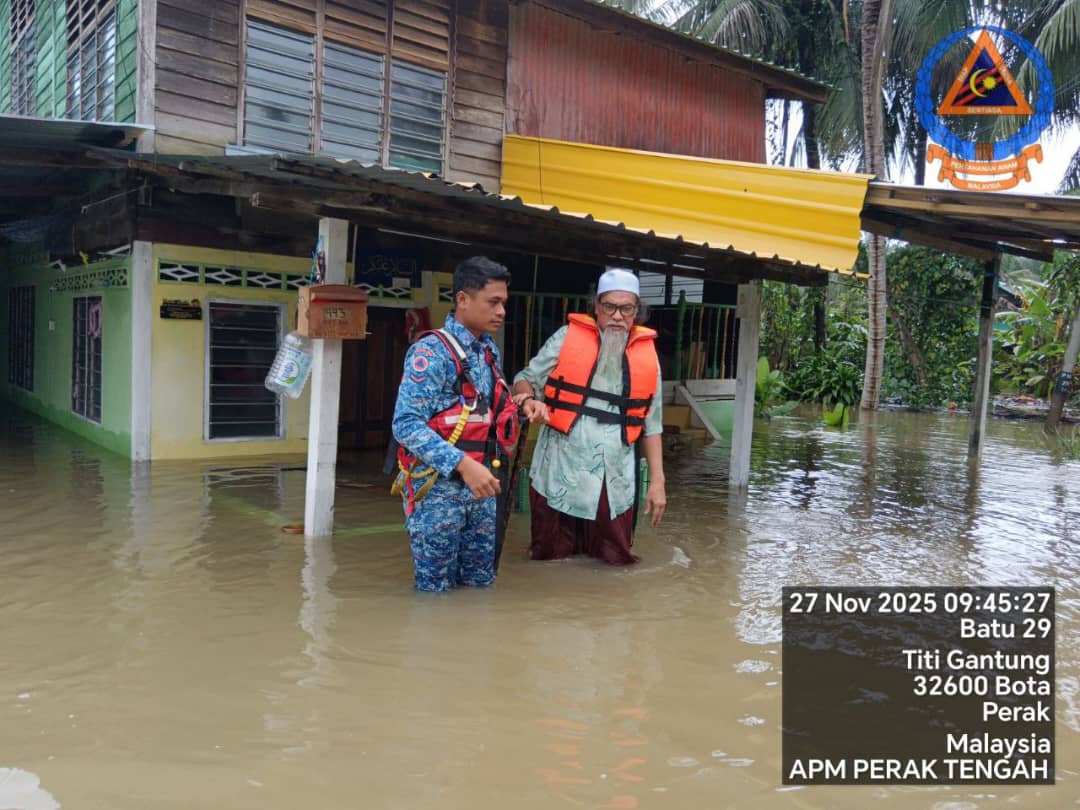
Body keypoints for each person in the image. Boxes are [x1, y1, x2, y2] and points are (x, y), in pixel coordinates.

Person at [511, 267, 666, 565]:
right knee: (549, 558)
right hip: (558, 469)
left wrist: (658, 482)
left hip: (615, 477)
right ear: (596, 307)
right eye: (609, 306)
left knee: (615, 563)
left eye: (627, 308)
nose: (618, 316)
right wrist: (528, 398)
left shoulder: (648, 356)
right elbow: (525, 377)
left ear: (637, 312)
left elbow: (652, 424)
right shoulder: (566, 337)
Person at [391, 256, 519, 592]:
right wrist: (462, 465)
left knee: (480, 586)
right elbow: (405, 424)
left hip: (482, 487)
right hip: (438, 494)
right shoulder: (431, 353)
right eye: (493, 302)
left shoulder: (487, 351)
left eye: (504, 303)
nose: (502, 312)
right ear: (462, 299)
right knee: (436, 594)